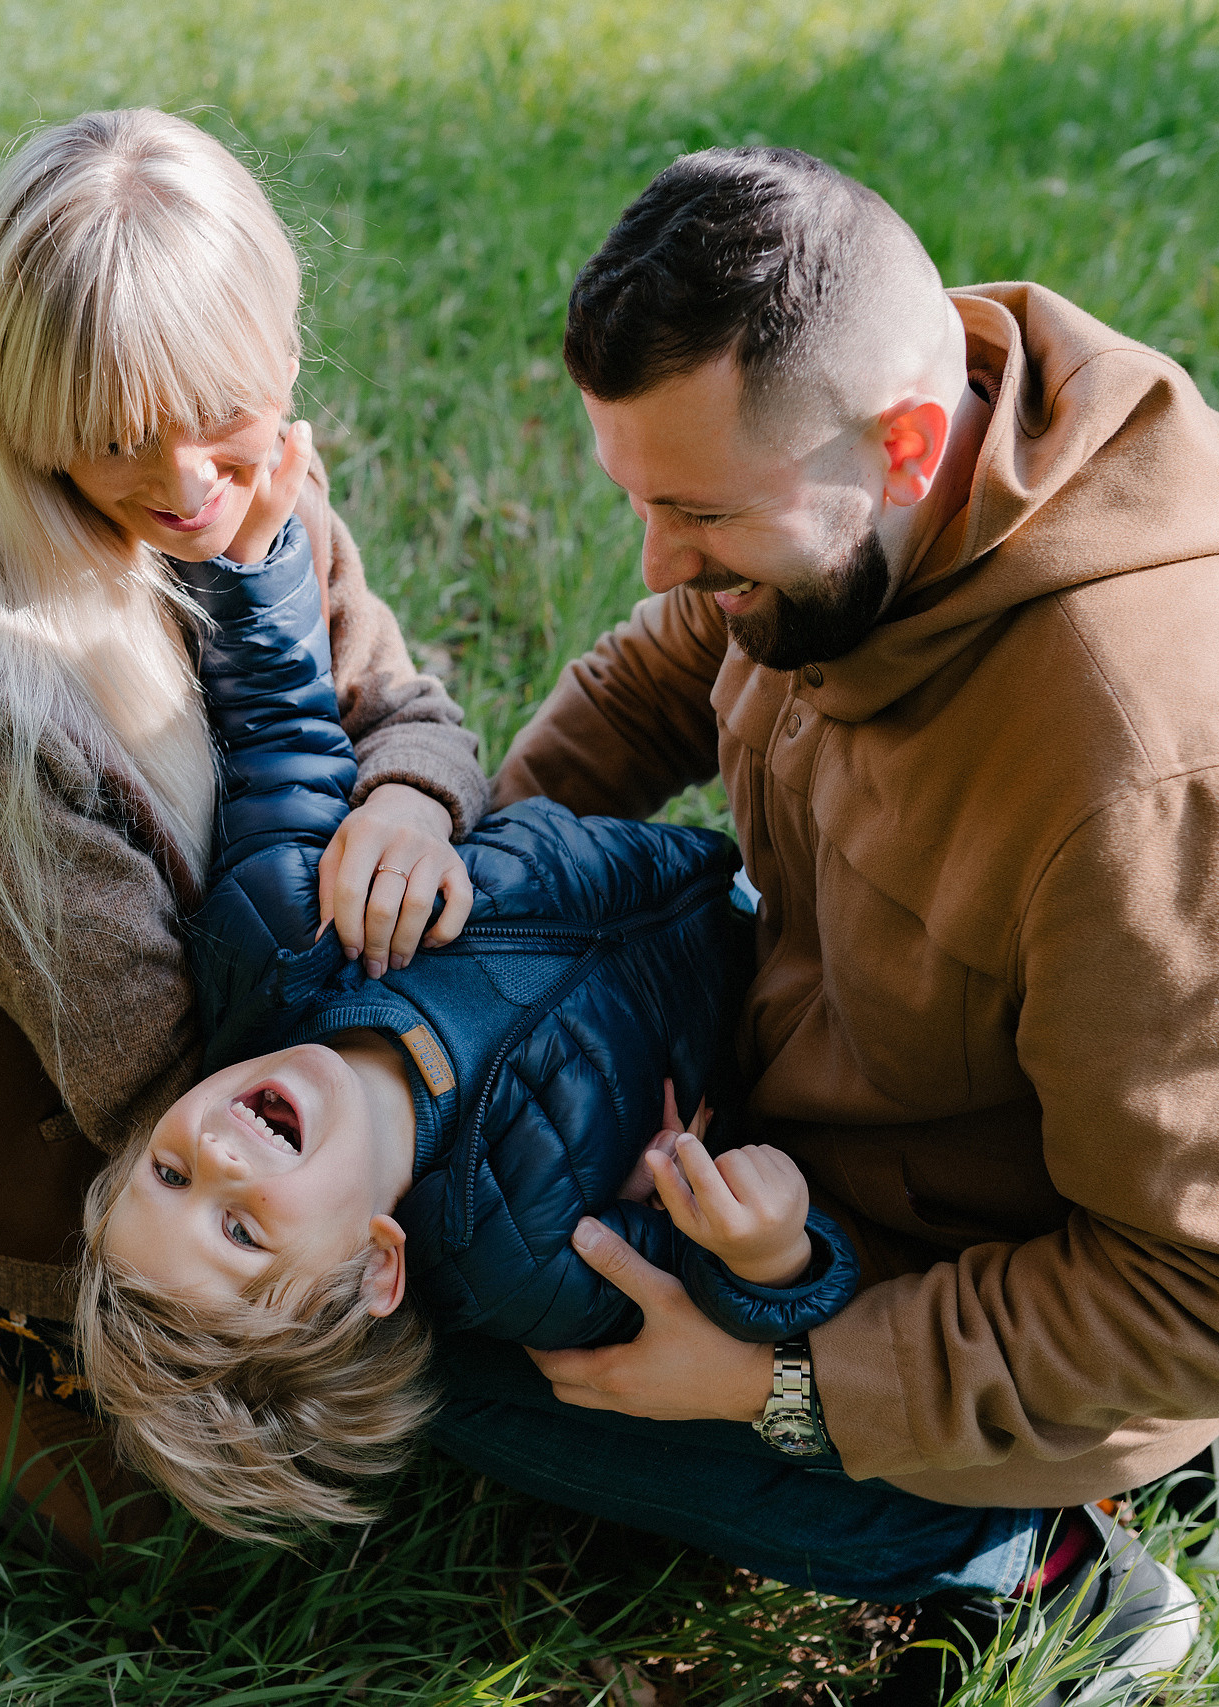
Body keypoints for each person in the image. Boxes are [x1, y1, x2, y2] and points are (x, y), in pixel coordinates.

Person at [437, 147, 1219, 1705]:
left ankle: (1043, 1563)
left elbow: (1218, 1288)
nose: (661, 565)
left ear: (907, 443)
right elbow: (657, 668)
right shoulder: (845, 534)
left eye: (700, 516)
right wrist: (479, 897)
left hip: (957, 1284)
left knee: (420, 1368)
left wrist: (778, 1386)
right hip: (781, 1158)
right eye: (639, 502)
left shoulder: (1167, 778)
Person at [0, 109, 489, 1567]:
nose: (190, 478)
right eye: (118, 435)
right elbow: (143, 1074)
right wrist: (409, 1107)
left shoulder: (257, 483)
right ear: (26, 412)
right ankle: (34, 1409)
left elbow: (401, 698)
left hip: (284, 1040)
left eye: (219, 410)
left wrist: (408, 799)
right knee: (318, 1413)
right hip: (75, 1179)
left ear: (282, 352)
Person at [72, 512, 862, 1540]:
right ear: (377, 1266)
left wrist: (251, 553)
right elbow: (698, 1292)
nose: (215, 1152)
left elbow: (279, 734)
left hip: (649, 847)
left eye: (167, 1176)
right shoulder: (533, 1263)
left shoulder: (280, 934)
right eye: (241, 1228)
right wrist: (764, 1253)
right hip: (780, 987)